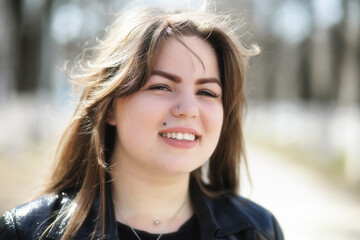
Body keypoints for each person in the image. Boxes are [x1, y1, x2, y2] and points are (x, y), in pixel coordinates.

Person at [0, 2, 283, 240]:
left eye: (207, 92)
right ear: (110, 107)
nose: (188, 109)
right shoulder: (27, 231)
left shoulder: (257, 230)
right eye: (161, 86)